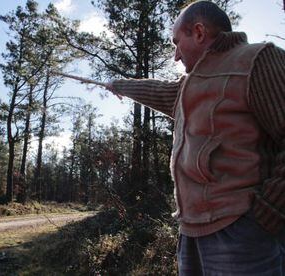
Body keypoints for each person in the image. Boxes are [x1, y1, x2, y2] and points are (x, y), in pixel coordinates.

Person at [106, 1, 285, 275]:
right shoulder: (189, 85)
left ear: (199, 32)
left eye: (177, 42)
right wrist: (119, 85)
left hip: (243, 234)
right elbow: (161, 91)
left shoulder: (258, 60)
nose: (175, 56)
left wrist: (268, 212)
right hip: (190, 233)